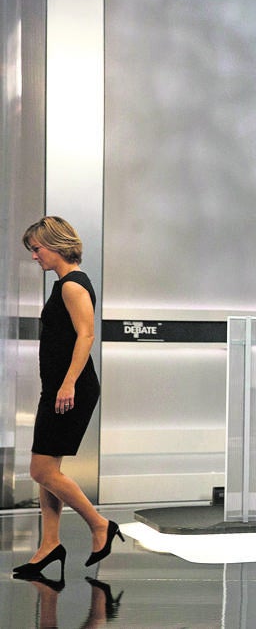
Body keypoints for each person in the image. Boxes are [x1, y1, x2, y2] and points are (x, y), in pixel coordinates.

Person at [12, 217, 123, 580]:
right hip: (59, 387)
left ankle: (100, 525)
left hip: (69, 389)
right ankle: (50, 544)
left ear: (55, 245)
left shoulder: (73, 285)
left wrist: (68, 383)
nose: (34, 256)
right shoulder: (64, 283)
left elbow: (86, 335)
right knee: (48, 470)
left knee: (41, 471)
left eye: (37, 249)